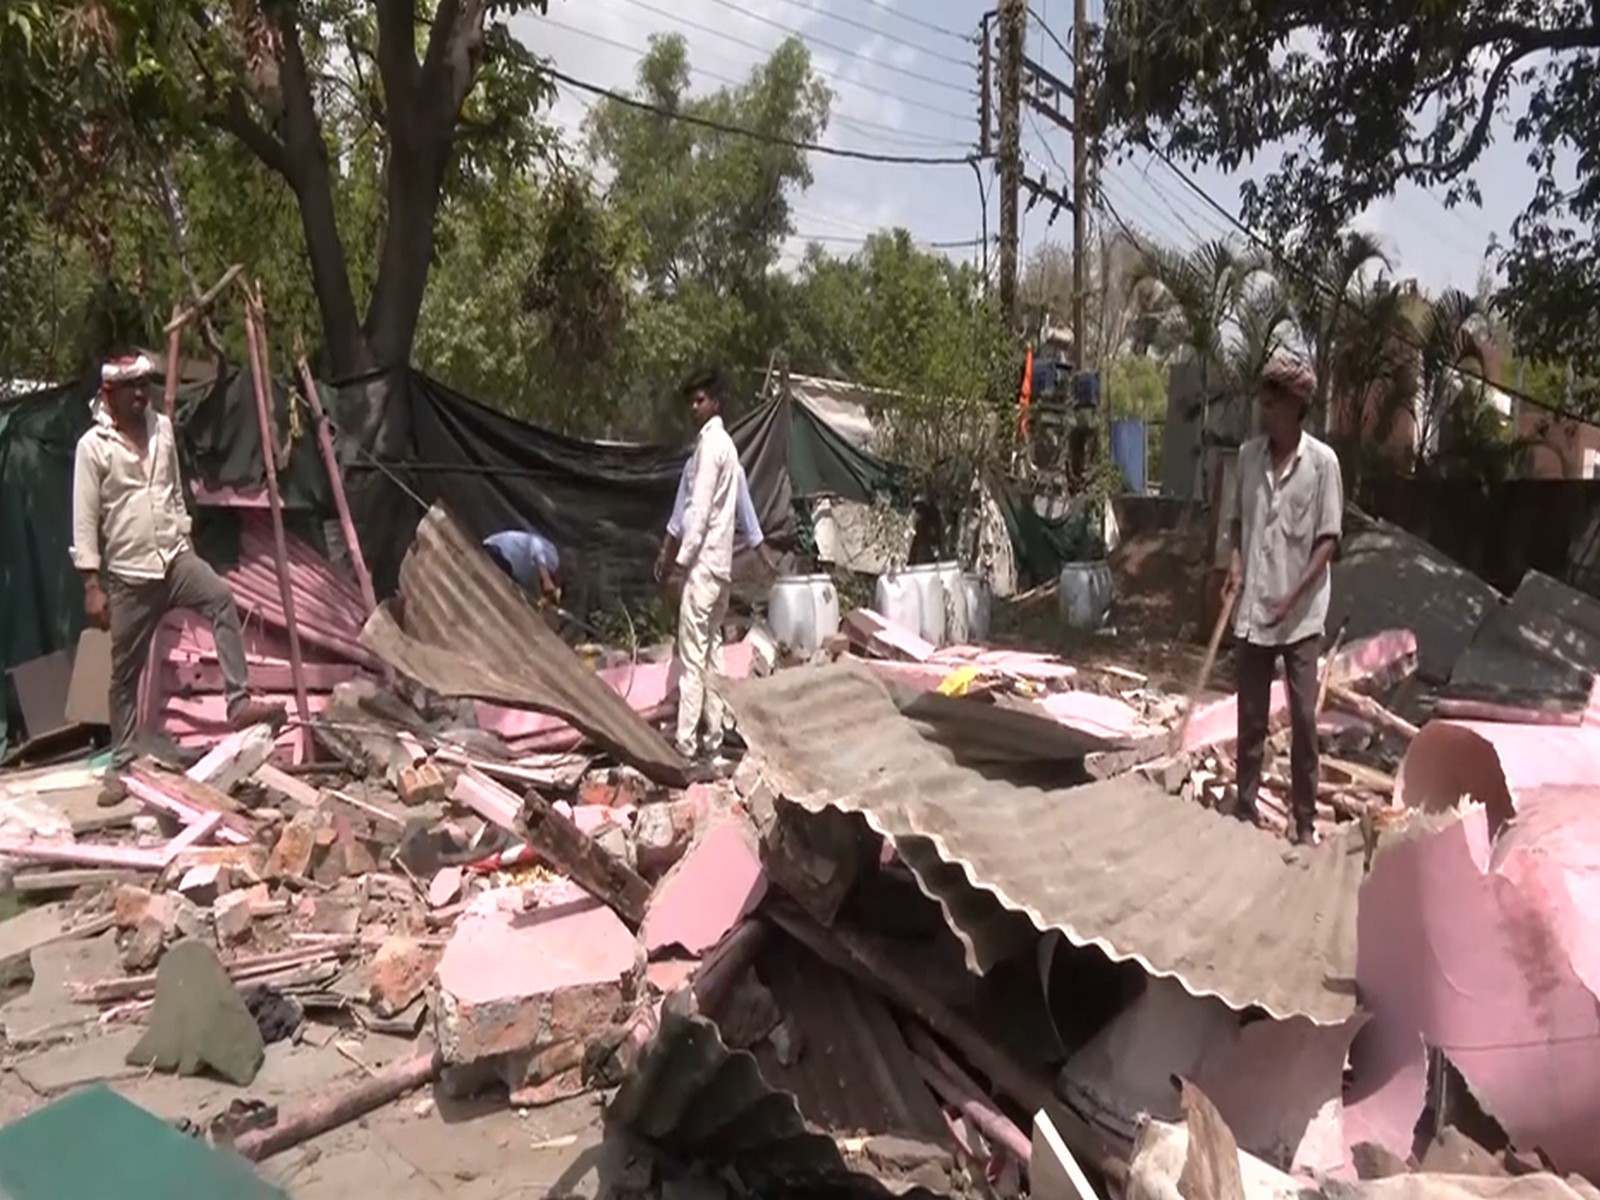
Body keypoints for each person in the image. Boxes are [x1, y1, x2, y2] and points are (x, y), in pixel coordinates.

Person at [71, 353, 285, 786]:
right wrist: (91, 583)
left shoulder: (162, 429)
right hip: (130, 576)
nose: (140, 393)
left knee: (221, 598)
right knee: (123, 674)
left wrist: (185, 540)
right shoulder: (93, 447)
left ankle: (237, 701)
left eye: (144, 384)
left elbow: (171, 493)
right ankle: (123, 761)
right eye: (131, 387)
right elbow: (84, 517)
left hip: (172, 559)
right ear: (108, 395)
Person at [1226, 353, 1343, 846]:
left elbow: (1328, 539)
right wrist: (1234, 564)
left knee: (1302, 718)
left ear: (1296, 405)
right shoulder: (1248, 457)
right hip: (1254, 608)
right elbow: (1237, 523)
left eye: (1273, 400)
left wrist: (1292, 596)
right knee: (1249, 714)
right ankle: (1245, 805)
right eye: (1263, 397)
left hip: (1300, 617)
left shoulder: (1322, 464)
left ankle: (1305, 820)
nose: (1264, 408)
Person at [664, 367, 743, 765]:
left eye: (700, 401)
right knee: (712, 656)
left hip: (703, 568)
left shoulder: (710, 448)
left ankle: (685, 745)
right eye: (691, 402)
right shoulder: (728, 448)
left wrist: (679, 564)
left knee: (692, 659)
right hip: (721, 569)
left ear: (715, 402)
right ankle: (714, 738)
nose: (694, 408)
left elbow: (697, 514)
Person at [654, 448, 776, 581]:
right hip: (700, 563)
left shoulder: (731, 468)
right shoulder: (692, 466)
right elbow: (677, 520)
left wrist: (766, 559)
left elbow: (749, 521)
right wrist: (665, 553)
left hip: (712, 561)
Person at [483, 528, 562, 604]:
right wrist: (546, 578)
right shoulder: (553, 560)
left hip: (506, 564)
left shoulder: (532, 582)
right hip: (500, 549)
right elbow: (535, 542)